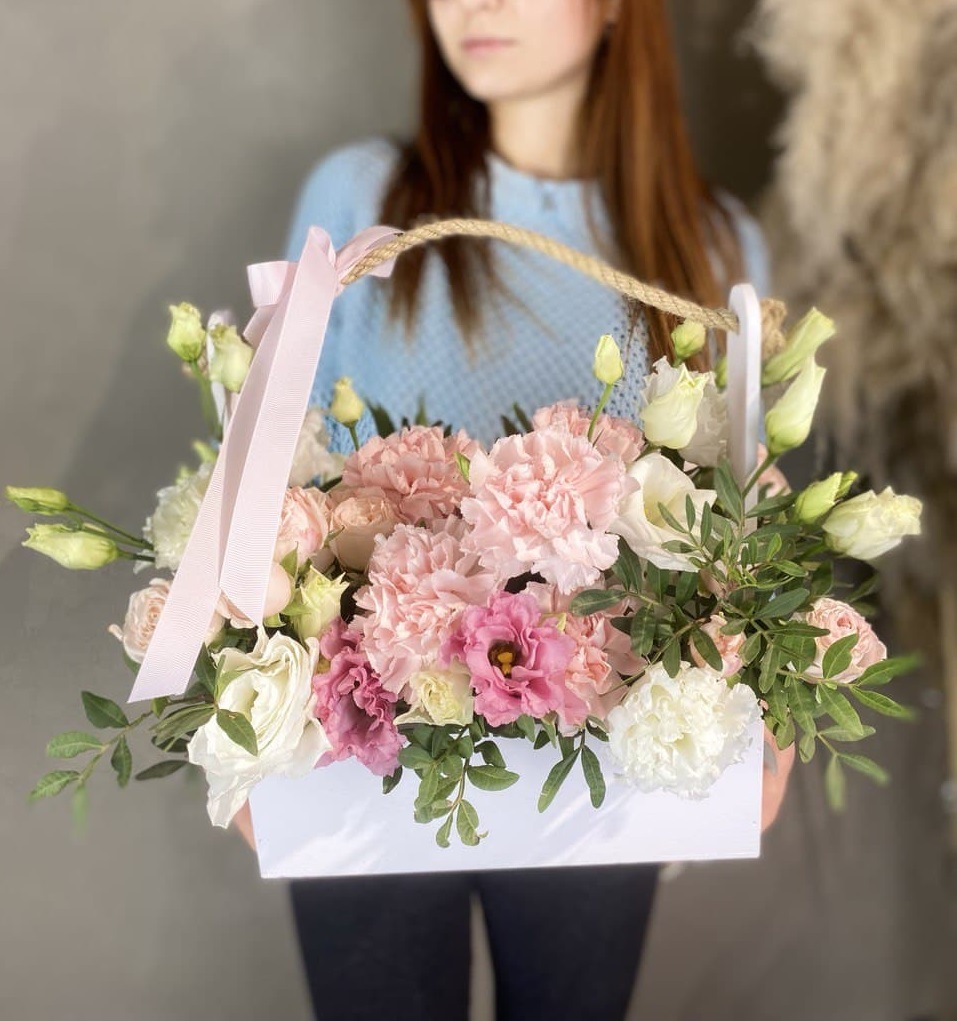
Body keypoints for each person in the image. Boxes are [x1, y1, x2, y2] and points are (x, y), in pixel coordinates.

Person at [233, 1, 795, 1018]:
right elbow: (275, 484)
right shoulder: (362, 201)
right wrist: (243, 728)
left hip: (594, 751)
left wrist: (772, 702)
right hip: (367, 744)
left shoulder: (712, 245)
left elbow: (743, 520)